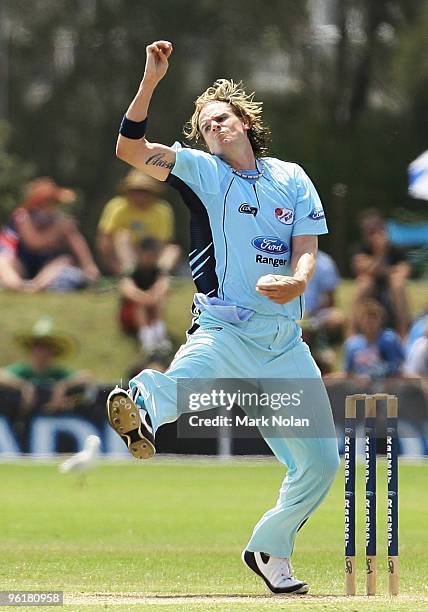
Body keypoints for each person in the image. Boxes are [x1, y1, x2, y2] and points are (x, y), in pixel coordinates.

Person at [106, 40, 339, 596]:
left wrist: (299, 281)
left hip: (283, 345)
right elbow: (130, 150)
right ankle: (138, 407)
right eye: (206, 124)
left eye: (222, 118)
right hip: (225, 328)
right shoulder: (202, 173)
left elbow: (305, 246)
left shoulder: (291, 177)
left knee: (322, 465)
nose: (214, 128)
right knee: (185, 383)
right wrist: (150, 82)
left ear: (246, 122)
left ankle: (269, 548)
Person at [0, 177, 100, 291]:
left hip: (43, 266)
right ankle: (17, 286)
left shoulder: (58, 219)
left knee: (65, 260)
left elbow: (76, 241)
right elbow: (34, 243)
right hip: (19, 262)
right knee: (3, 260)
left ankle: (35, 287)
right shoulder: (22, 216)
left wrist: (89, 266)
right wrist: (57, 230)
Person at [96, 169, 180, 276]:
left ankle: (160, 276)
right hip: (123, 256)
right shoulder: (117, 207)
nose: (139, 196)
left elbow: (164, 242)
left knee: (173, 250)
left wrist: (148, 257)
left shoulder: (162, 210)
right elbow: (104, 241)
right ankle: (129, 273)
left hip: (151, 254)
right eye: (135, 191)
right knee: (122, 236)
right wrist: (114, 266)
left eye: (144, 191)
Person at [0, 317, 92, 413]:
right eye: (37, 346)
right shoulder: (23, 370)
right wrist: (23, 386)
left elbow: (87, 376)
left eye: (46, 347)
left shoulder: (58, 373)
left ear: (53, 350)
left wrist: (63, 385)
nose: (41, 351)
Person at [350, 209, 411, 338]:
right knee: (364, 284)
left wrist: (380, 270)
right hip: (371, 291)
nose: (376, 237)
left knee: (398, 284)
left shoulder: (397, 250)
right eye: (371, 233)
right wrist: (380, 253)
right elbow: (364, 269)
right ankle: (351, 332)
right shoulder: (361, 249)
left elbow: (404, 271)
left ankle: (403, 332)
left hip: (391, 291)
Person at [119, 236, 171, 353]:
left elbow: (163, 285)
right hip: (131, 315)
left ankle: (159, 335)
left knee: (159, 301)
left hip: (151, 310)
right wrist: (145, 298)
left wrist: (153, 296)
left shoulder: (158, 270)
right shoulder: (132, 270)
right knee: (140, 303)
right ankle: (147, 339)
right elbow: (127, 289)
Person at [344, 299, 405, 380]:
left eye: (374, 319)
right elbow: (348, 373)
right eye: (367, 320)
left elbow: (398, 368)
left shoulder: (390, 340)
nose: (370, 324)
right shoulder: (352, 345)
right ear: (360, 322)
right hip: (361, 387)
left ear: (380, 321)